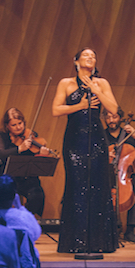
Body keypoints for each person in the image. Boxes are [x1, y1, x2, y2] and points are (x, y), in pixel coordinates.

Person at [52, 47, 119, 254]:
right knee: (76, 185)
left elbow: (113, 109)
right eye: (86, 55)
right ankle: (75, 241)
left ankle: (99, 241)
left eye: (93, 56)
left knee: (98, 186)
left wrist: (96, 90)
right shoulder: (66, 83)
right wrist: (81, 105)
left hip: (97, 138)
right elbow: (56, 110)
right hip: (74, 140)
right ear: (76, 61)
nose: (90, 58)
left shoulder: (102, 83)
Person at [103, 107, 135, 243]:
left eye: (114, 117)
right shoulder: (101, 136)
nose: (111, 120)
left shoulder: (129, 136)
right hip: (105, 174)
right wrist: (104, 155)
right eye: (108, 117)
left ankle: (130, 230)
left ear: (120, 118)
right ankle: (108, 228)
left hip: (124, 175)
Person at [0, 108, 49, 216]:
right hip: (5, 176)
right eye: (14, 125)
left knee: (37, 195)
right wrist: (18, 149)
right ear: (7, 126)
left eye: (20, 123)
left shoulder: (31, 135)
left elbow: (35, 160)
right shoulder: (1, 135)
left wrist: (42, 155)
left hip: (26, 178)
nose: (18, 127)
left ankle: (24, 218)